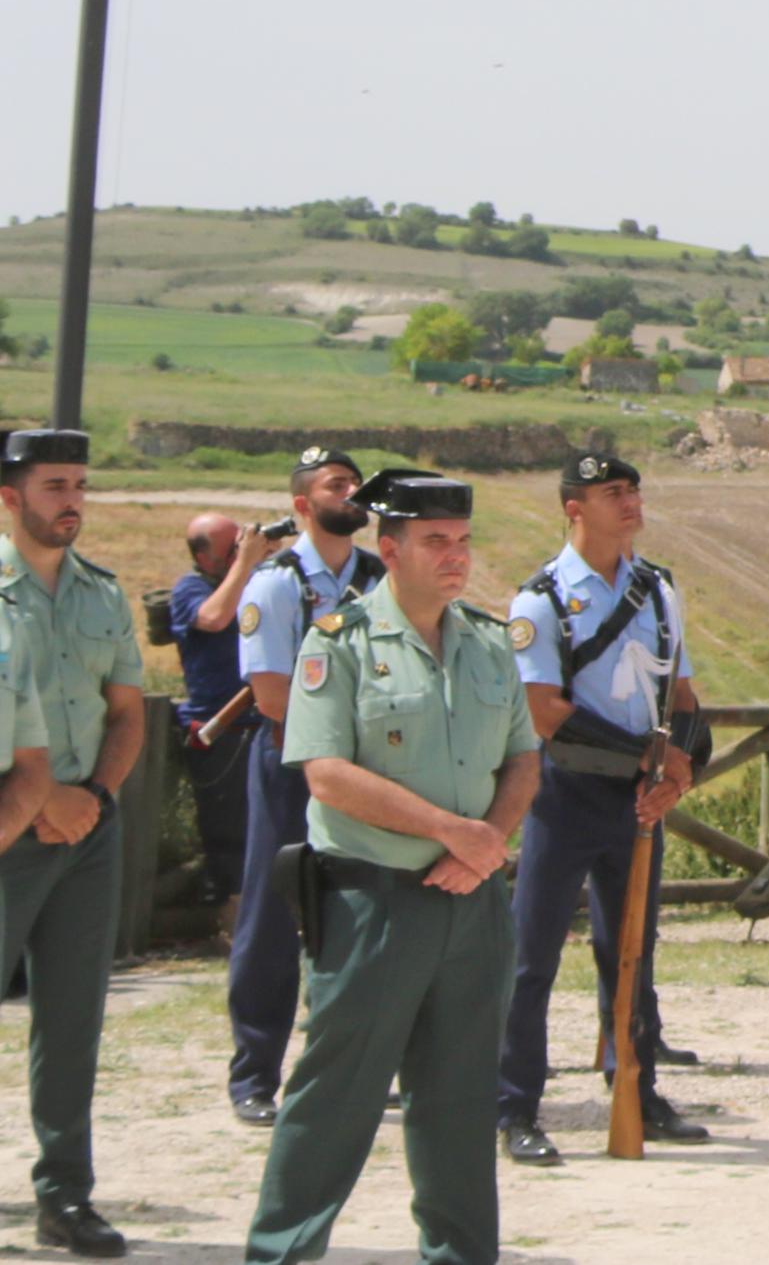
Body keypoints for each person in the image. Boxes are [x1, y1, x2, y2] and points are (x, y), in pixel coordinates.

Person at [236, 471, 530, 1265]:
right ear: (389, 549)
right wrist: (452, 831)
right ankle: (281, 1252)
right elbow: (326, 773)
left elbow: (523, 762)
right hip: (372, 900)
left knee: (462, 1098)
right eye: (436, 541)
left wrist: (487, 844)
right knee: (336, 1095)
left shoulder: (489, 640)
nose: (455, 557)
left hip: (471, 904)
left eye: (463, 541)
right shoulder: (338, 640)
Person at [497, 452, 709, 1166]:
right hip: (563, 792)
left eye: (633, 488)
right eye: (611, 491)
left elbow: (680, 693)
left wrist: (681, 768)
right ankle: (515, 1104)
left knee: (631, 951)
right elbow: (545, 711)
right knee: (532, 957)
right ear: (573, 507)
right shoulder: (541, 599)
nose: (630, 500)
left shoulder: (659, 590)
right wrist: (648, 756)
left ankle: (636, 1088)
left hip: (637, 798)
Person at [0, 430, 137, 1256]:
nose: (72, 499)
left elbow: (126, 712)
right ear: (11, 497)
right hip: (8, 824)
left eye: (80, 482)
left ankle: (66, 1196)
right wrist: (40, 798)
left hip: (86, 827)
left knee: (74, 1017)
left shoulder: (102, 594)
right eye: (55, 484)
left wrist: (88, 798)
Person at [221, 445, 379, 1125]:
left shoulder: (382, 576)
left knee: (363, 915)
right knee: (272, 914)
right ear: (301, 504)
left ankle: (353, 1064)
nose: (350, 490)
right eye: (333, 483)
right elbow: (272, 692)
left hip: (371, 770)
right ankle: (254, 1073)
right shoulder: (278, 582)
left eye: (353, 481)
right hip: (293, 765)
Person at [168, 512, 251, 911]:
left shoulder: (252, 584)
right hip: (218, 730)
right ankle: (226, 916)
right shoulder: (190, 588)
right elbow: (214, 618)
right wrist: (246, 566)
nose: (240, 551)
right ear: (205, 558)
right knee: (226, 832)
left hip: (263, 725)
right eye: (230, 548)